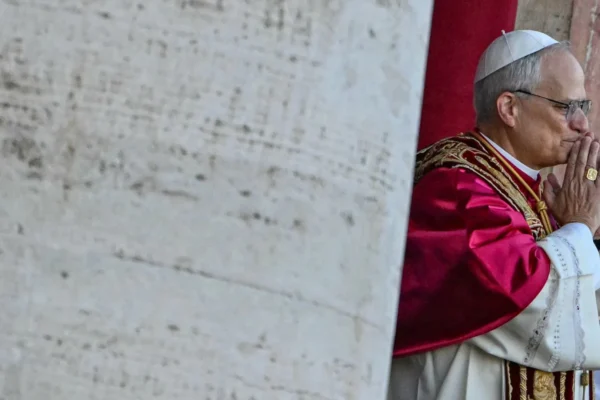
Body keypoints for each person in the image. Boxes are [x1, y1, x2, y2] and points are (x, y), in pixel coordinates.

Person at [388, 30, 600, 400]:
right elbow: (521, 297)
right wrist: (580, 227)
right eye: (566, 107)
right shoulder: (458, 189)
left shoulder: (534, 192)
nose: (582, 124)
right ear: (509, 108)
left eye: (584, 106)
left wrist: (576, 230)